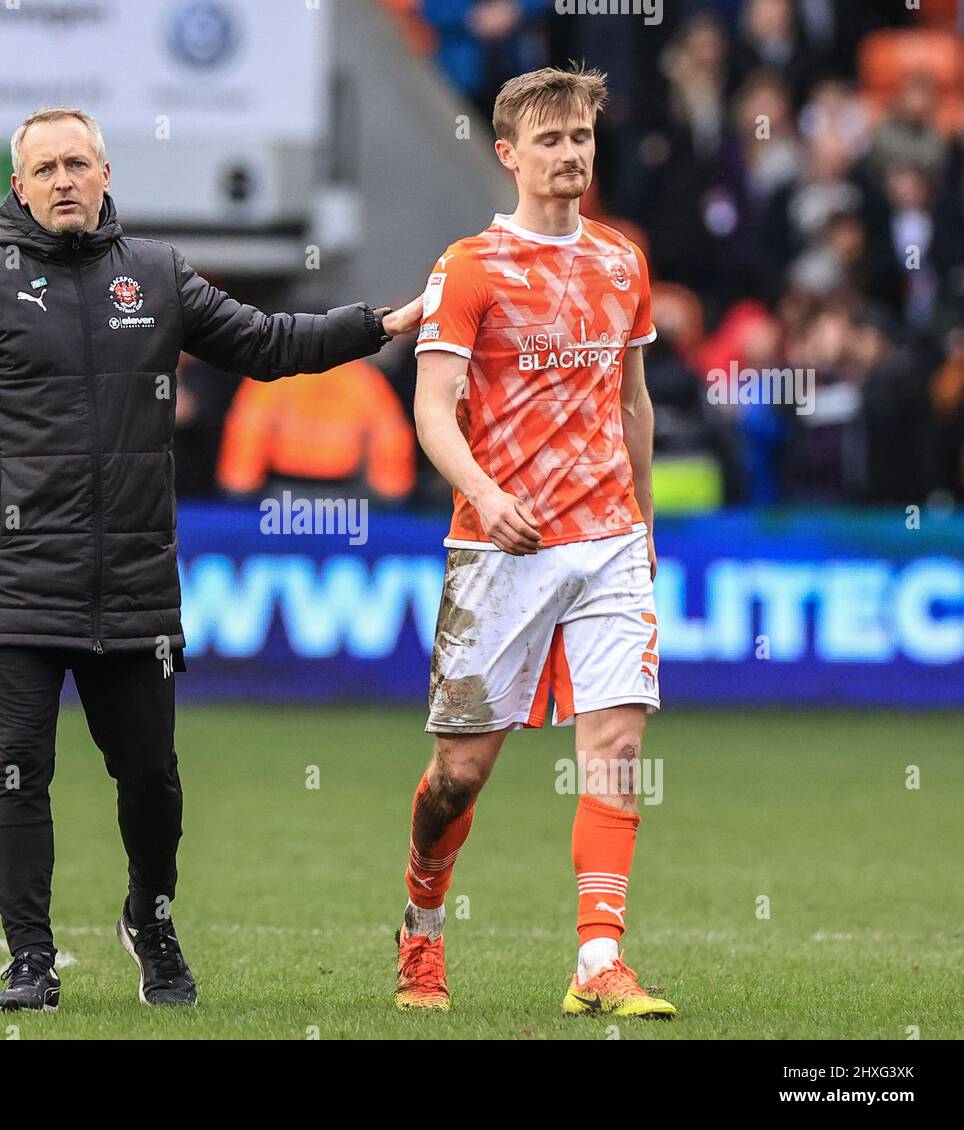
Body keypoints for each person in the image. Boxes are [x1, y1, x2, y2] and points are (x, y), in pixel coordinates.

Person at [0, 107, 421, 1014]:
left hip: (132, 584)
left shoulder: (158, 275)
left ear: (106, 176)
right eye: (45, 168)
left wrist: (379, 324)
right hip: (17, 582)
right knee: (18, 771)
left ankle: (151, 915)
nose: (64, 180)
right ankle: (31, 960)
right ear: (18, 186)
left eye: (79, 164)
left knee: (152, 781)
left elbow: (265, 345)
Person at [394, 66, 676, 1018]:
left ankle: (600, 962)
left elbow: (633, 402)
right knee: (457, 776)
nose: (570, 155)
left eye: (582, 138)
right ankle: (422, 931)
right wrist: (482, 489)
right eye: (550, 140)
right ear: (509, 154)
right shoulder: (468, 266)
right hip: (498, 547)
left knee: (619, 744)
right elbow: (433, 409)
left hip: (606, 539)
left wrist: (644, 525)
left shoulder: (623, 261)